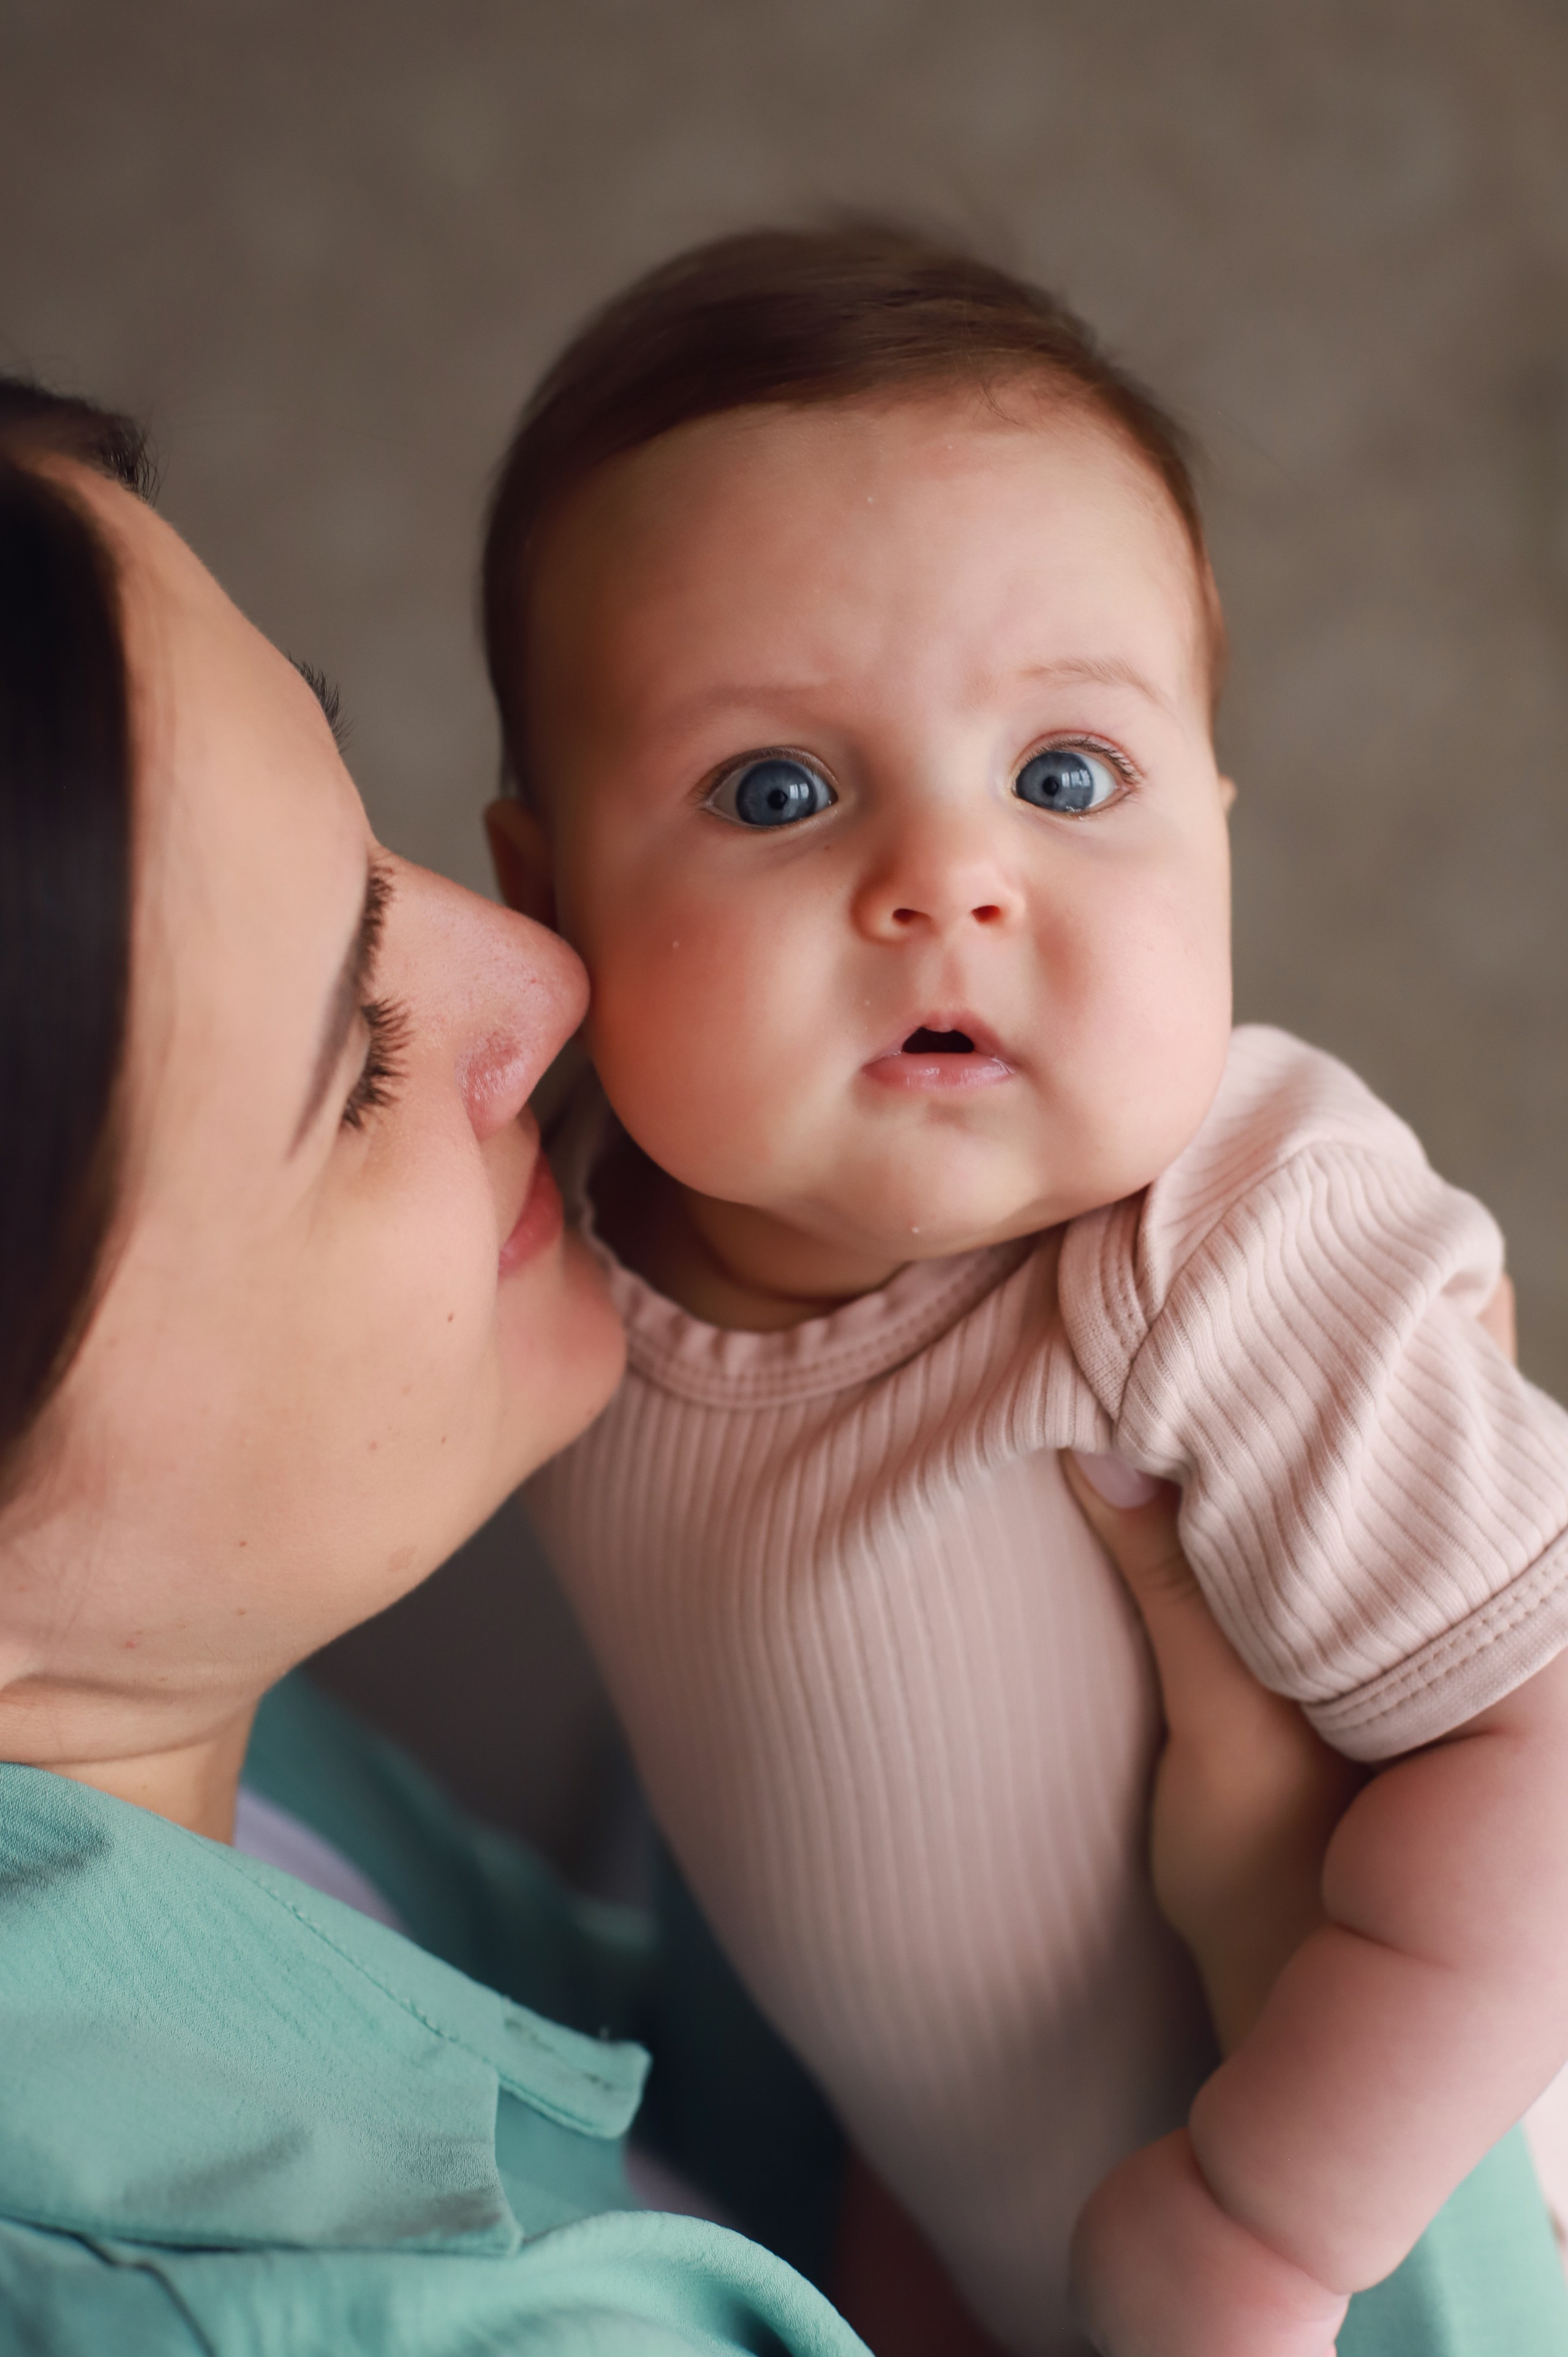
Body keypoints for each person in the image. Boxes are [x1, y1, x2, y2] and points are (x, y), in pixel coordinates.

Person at [0, 374, 1557, 2357]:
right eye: (356, 1061)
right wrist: (1271, 1951)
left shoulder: (186, 1746)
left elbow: (630, 2059)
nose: (537, 984)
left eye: (372, 861)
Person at [477, 225, 1568, 2355]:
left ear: (1218, 837)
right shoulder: (554, 1241)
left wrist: (1274, 2218)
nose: (949, 880)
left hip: (1440, 2212)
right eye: (776, 789)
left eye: (1067, 778)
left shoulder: (1223, 1244)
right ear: (546, 894)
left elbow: (1547, 1753)